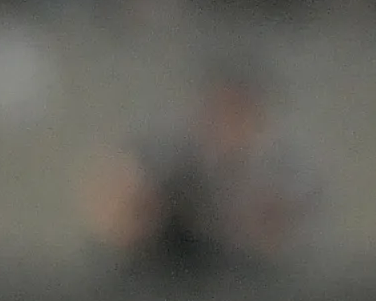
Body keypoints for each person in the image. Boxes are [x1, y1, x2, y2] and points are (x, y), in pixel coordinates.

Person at [83, 63, 316, 275]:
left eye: (239, 113)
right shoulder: (173, 162)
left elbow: (280, 234)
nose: (230, 125)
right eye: (223, 110)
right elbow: (117, 207)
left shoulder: (281, 173)